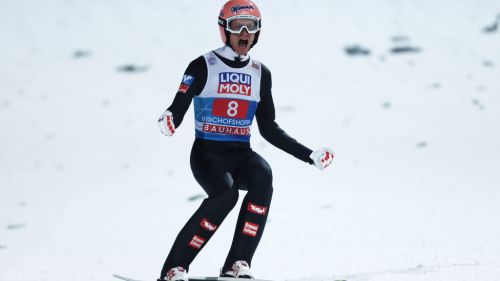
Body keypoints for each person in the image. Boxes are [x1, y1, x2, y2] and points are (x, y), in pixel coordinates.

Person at [157, 1, 334, 280]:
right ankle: (173, 269)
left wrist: (309, 155)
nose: (243, 32)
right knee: (225, 195)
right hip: (207, 155)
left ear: (257, 33)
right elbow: (179, 103)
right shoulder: (203, 64)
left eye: (250, 27)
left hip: (241, 153)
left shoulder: (261, 73)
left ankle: (237, 264)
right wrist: (171, 118)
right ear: (224, 30)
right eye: (237, 26)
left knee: (262, 175)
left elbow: (269, 128)